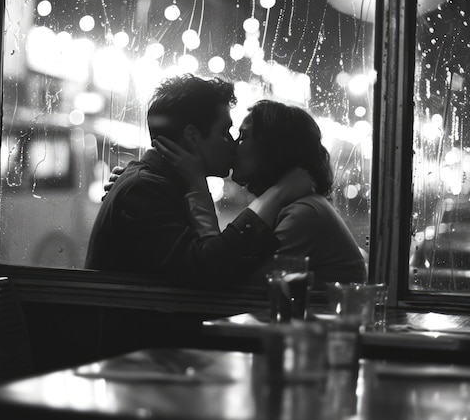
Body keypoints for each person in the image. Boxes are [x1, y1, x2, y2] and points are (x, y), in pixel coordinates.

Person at [85, 74, 313, 287]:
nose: (233, 145)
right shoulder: (144, 189)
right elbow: (210, 271)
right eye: (225, 132)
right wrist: (278, 193)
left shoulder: (156, 184)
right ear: (193, 136)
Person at [155, 99, 367, 288]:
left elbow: (223, 279)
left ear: (273, 148)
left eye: (243, 136)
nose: (233, 145)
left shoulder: (305, 213)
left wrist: (197, 184)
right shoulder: (286, 206)